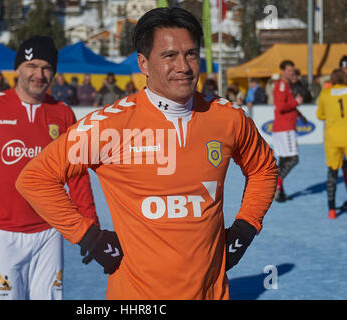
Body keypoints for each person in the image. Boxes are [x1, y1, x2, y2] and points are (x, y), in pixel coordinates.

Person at [16, 7, 277, 300]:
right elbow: (35, 178)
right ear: (143, 63)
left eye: (191, 54)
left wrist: (244, 229)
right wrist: (89, 237)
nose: (184, 66)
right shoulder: (110, 126)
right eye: (169, 56)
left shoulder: (227, 117)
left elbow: (264, 169)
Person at [0, 35, 99, 300]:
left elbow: (77, 175)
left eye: (47, 67)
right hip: (2, 234)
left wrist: (90, 223)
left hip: (49, 232)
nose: (39, 74)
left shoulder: (63, 114)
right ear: (17, 68)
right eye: (32, 65)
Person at [272, 60, 306, 202]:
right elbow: (281, 107)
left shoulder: (285, 85)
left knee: (285, 160)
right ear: (282, 71)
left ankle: (280, 192)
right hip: (284, 128)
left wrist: (300, 115)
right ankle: (276, 185)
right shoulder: (281, 85)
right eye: (289, 71)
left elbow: (287, 106)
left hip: (282, 128)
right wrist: (296, 102)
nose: (292, 73)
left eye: (293, 70)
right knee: (293, 159)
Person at [316, 69, 347, 219]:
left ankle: (332, 209)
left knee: (332, 172)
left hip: (332, 138)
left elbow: (320, 115)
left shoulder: (326, 93)